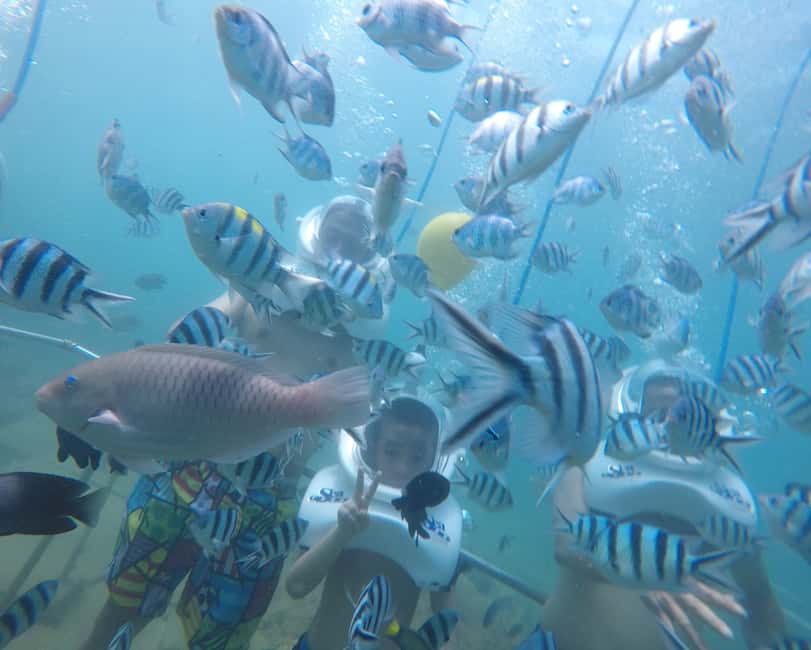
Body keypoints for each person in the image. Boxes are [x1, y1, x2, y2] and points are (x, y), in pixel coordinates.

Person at [542, 361, 787, 650]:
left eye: (683, 415)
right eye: (659, 414)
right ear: (632, 409)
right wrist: (645, 576)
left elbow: (760, 601)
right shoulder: (586, 462)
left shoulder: (729, 499)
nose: (670, 426)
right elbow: (566, 546)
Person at [285, 395, 461, 650]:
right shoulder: (344, 501)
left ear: (434, 459)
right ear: (372, 447)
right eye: (391, 452)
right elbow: (296, 586)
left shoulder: (438, 522)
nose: (402, 468)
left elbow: (447, 626)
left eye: (417, 457)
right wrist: (342, 532)